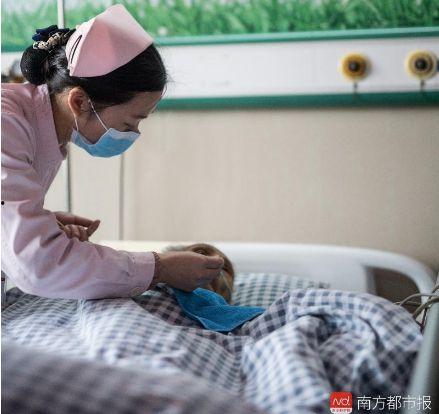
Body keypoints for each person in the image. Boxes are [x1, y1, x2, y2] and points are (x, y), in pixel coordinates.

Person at [1, 4, 224, 300]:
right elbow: (37, 264)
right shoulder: (6, 125)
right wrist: (159, 268)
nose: (132, 134)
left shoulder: (36, 127)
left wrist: (45, 223)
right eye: (129, 123)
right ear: (80, 102)